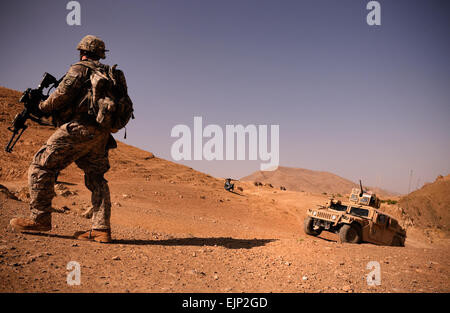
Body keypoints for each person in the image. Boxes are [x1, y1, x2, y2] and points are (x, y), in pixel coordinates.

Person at [10, 35, 122, 243]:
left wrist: (41, 107)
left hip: (79, 128)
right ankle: (101, 229)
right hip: (101, 134)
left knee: (41, 166)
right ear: (101, 54)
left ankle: (40, 219)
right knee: (96, 178)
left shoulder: (80, 69)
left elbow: (60, 96)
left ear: (82, 51)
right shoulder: (109, 74)